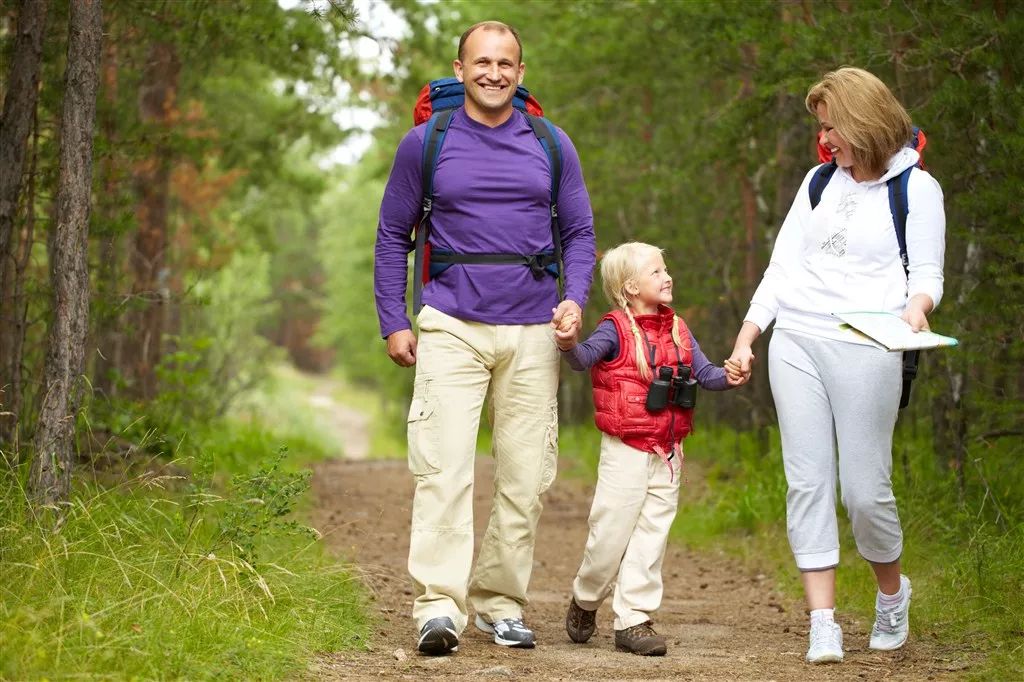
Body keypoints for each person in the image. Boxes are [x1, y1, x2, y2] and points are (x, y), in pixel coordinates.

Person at [373, 20, 596, 656]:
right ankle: (439, 606)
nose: (493, 73)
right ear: (460, 67)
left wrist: (574, 300)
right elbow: (394, 235)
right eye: (482, 62)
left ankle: (501, 604)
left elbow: (579, 233)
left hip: (533, 329)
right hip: (450, 324)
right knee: (443, 468)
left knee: (525, 476)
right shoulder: (426, 142)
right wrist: (394, 318)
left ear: (521, 74)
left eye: (506, 63)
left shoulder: (552, 144)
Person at [727, 67, 946, 664]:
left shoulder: (916, 190)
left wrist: (917, 309)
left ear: (864, 123)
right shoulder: (818, 182)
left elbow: (926, 276)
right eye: (822, 130)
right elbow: (781, 269)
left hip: (868, 342)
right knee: (808, 480)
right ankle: (822, 620)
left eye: (833, 128)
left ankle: (891, 592)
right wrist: (749, 338)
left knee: (864, 490)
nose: (826, 142)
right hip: (796, 337)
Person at [556, 242, 746, 656]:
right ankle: (586, 598)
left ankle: (633, 619)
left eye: (666, 269)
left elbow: (706, 373)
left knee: (651, 537)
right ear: (629, 287)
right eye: (656, 272)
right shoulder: (614, 329)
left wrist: (728, 375)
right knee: (609, 537)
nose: (667, 277)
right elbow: (582, 358)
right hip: (625, 449)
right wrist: (569, 343)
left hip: (669, 451)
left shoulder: (678, 328)